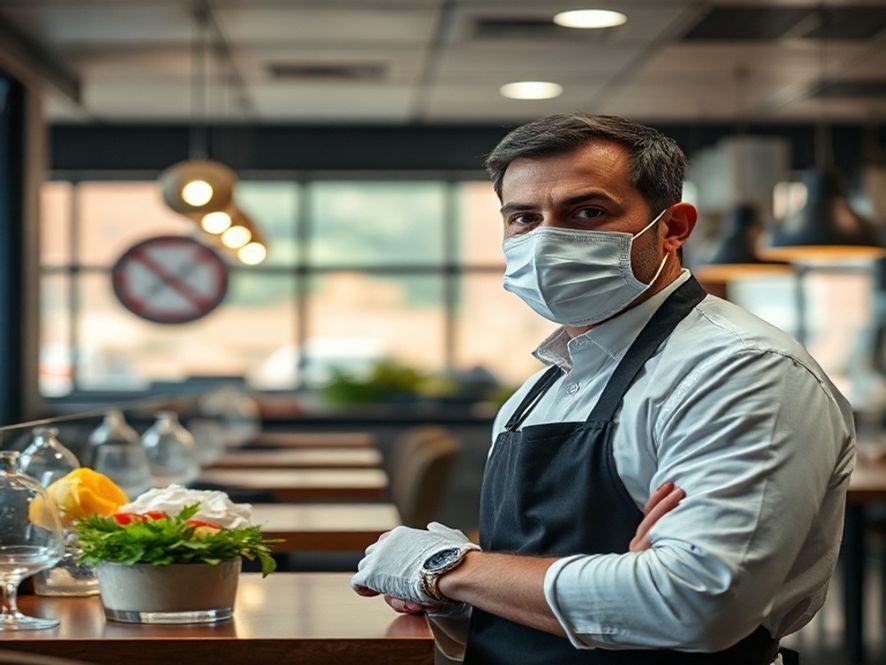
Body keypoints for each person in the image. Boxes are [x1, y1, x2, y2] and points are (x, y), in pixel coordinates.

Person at [351, 114, 856, 664]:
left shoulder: (740, 369)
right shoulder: (540, 387)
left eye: (587, 212)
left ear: (674, 227)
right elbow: (543, 587)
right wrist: (455, 595)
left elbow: (694, 604)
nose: (547, 239)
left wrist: (451, 567)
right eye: (523, 218)